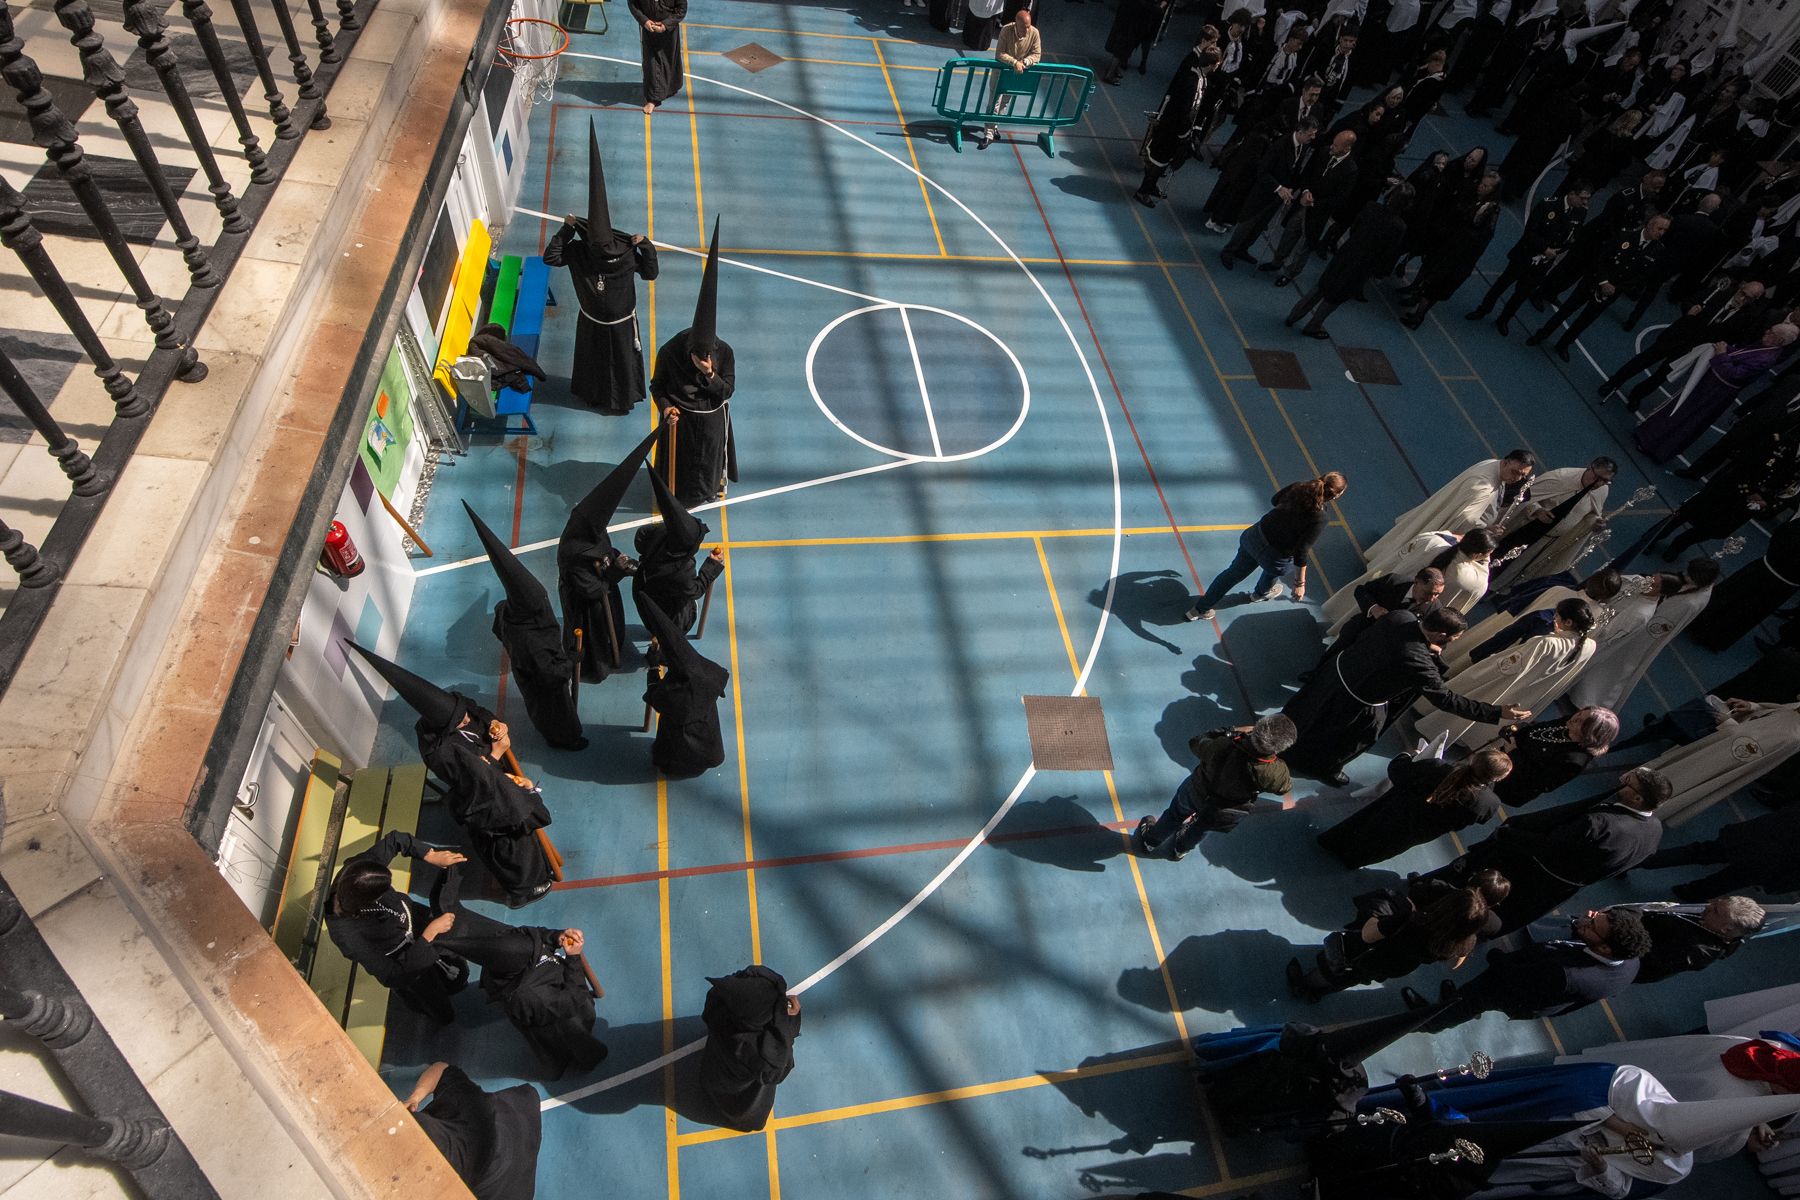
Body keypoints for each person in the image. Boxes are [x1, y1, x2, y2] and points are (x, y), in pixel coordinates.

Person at [346, 644, 555, 908]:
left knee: (522, 822)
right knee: (510, 842)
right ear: (444, 728)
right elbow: (473, 780)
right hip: (479, 799)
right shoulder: (441, 752)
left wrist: (494, 724)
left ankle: (537, 865)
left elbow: (475, 711)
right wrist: (496, 754)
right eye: (461, 721)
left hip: (496, 780)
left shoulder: (453, 708)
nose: (467, 719)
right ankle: (523, 886)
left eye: (463, 715)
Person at [1282, 607, 1528, 787]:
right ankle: (1326, 767)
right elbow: (1445, 699)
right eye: (1453, 637)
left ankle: (1281, 737)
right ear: (1440, 634)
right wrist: (1496, 712)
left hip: (1336, 673)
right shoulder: (1419, 661)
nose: (1453, 641)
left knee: (1307, 710)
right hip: (1360, 698)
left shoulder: (1400, 617)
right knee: (1361, 737)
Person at [1422, 769, 1670, 935]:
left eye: (1629, 784)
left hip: (1529, 868)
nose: (1622, 782)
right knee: (1507, 913)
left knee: (1478, 887)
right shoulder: (1654, 831)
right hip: (1560, 887)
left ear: (1637, 799)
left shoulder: (1599, 824)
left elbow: (1546, 845)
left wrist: (1508, 833)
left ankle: (1431, 901)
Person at [431, 866, 609, 1079]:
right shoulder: (530, 996)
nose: (537, 944)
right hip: (564, 1013)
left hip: (551, 993)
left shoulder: (517, 952)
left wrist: (556, 936)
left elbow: (533, 935)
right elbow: (574, 1000)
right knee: (570, 1038)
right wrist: (572, 958)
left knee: (499, 937)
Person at [542, 124, 659, 415]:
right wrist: (646, 245)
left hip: (594, 323)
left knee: (592, 363)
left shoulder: (580, 253)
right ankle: (622, 400)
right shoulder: (627, 256)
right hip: (618, 324)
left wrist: (567, 230)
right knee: (622, 365)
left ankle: (591, 395)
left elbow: (551, 257)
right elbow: (651, 273)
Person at [465, 503, 585, 752]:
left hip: (531, 671)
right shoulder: (531, 641)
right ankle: (564, 739)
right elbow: (551, 676)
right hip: (544, 686)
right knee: (556, 714)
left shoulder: (508, 612)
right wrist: (571, 659)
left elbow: (498, 628)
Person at [1410, 906, 1653, 1027]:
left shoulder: (1567, 975)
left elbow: (1512, 977)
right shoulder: (1630, 961)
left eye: (1592, 926)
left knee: (1472, 999)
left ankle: (1430, 1021)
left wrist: (1495, 955)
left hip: (1512, 989)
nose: (1584, 920)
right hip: (1538, 986)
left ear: (1605, 949)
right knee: (1471, 1001)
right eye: (1594, 916)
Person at [1287, 871, 1509, 1001]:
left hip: (1372, 950)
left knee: (1337, 966)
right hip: (1399, 965)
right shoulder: (1463, 940)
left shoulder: (1412, 921)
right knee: (1357, 976)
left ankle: (1306, 985)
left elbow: (1368, 934)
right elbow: (1455, 962)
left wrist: (1380, 914)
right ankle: (1321, 992)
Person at [325, 831, 472, 1024]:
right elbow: (392, 975)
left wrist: (430, 854)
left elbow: (396, 840)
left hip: (409, 918)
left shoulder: (356, 870)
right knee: (433, 998)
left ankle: (451, 977)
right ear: (368, 900)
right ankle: (440, 1014)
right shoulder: (347, 935)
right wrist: (428, 935)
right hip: (401, 958)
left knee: (451, 957)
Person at [1413, 598, 1598, 748]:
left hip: (1505, 681)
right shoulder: (1589, 646)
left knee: (1478, 697)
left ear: (1568, 622)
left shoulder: (1546, 643)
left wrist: (1483, 667)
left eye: (1557, 616)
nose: (1554, 619)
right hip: (1529, 692)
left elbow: (1508, 665)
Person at [558, 428, 660, 683]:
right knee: (596, 636)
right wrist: (615, 572)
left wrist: (617, 559)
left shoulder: (593, 531)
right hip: (587, 606)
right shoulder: (574, 552)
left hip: (605, 588)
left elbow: (605, 548)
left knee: (612, 622)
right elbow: (590, 589)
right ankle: (598, 665)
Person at [652, 222, 737, 507]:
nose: (705, 357)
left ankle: (707, 491)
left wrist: (709, 374)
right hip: (682, 420)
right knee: (681, 465)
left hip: (711, 421)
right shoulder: (670, 350)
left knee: (708, 462)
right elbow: (658, 385)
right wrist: (666, 407)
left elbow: (726, 392)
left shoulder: (724, 352)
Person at [1131, 716, 1295, 860]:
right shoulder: (1274, 772)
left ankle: (1150, 842)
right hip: (1224, 809)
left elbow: (1197, 742)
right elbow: (1284, 787)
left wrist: (1231, 730)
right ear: (1279, 748)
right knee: (1201, 828)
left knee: (1174, 815)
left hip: (1196, 790)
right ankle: (1180, 849)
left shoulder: (1224, 745)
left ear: (1257, 728)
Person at [1184, 473, 1344, 620]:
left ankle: (1199, 609)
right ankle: (1260, 593)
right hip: (1276, 556)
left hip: (1255, 537)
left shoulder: (1298, 486)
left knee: (1232, 574)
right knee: (1273, 571)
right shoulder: (1320, 517)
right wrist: (1299, 584)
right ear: (1336, 495)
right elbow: (1301, 550)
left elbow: (1275, 501)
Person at [1316, 748, 1512, 868]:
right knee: (1388, 845)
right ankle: (1353, 860)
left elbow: (1398, 772)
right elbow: (1476, 818)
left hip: (1396, 807)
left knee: (1364, 824)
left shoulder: (1438, 768)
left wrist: (1407, 755)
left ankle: (1332, 843)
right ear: (1496, 778)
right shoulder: (1489, 803)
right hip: (1421, 830)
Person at [1633, 324, 1800, 464]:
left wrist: (1721, 353)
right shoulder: (1765, 348)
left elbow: (1734, 373)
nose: (1767, 332)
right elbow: (1739, 353)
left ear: (1780, 340)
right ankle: (1648, 437)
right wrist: (1726, 348)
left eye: (1772, 333)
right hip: (1713, 385)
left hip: (1716, 391)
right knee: (1682, 409)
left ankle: (1653, 445)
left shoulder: (1766, 358)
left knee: (1686, 417)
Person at [1568, 565, 1719, 714]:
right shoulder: (1659, 587)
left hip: (1641, 636)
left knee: (1613, 663)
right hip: (1631, 620)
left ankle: (1587, 697)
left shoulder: (1687, 603)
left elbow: (1659, 624)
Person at [1601, 279, 1767, 412]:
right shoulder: (1719, 292)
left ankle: (1637, 395)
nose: (1742, 298)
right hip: (1677, 335)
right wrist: (1689, 310)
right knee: (1643, 360)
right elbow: (1689, 301)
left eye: (1749, 298)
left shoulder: (1749, 316)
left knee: (1662, 375)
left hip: (1693, 350)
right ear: (1741, 287)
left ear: (1754, 301)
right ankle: (1614, 382)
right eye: (1742, 293)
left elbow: (1739, 339)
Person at [1524, 214, 1670, 362]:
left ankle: (1563, 344)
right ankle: (1542, 334)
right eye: (1660, 228)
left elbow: (1641, 277)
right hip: (1593, 281)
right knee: (1566, 310)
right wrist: (1604, 282)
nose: (1662, 233)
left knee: (1585, 320)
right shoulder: (1624, 235)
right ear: (1649, 224)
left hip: (1612, 291)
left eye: (1665, 230)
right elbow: (1600, 258)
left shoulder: (1657, 250)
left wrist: (1616, 288)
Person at [1637, 697, 1800, 827]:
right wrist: (1752, 707)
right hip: (1715, 748)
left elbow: (1745, 751)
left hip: (1716, 761)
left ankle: (1641, 803)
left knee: (1682, 777)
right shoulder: (1797, 710)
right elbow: (1778, 712)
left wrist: (1728, 724)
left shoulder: (1792, 735)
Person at [1359, 450, 1535, 569]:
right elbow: (1466, 519)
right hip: (1448, 525)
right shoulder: (1484, 484)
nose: (1517, 478)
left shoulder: (1492, 466)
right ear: (1505, 462)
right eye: (1515, 472)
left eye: (1522, 476)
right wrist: (1486, 531)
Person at [1284, 184, 1412, 338]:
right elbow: (1387, 253)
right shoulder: (1399, 226)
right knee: (1336, 296)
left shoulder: (1371, 207)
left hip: (1347, 252)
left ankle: (1294, 315)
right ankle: (1314, 325)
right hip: (1363, 265)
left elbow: (1354, 228)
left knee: (1322, 285)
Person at [404, 1062, 542, 1200]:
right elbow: (441, 1069)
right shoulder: (465, 1107)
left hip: (508, 1181)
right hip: (517, 1113)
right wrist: (414, 1098)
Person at [1323, 527, 1497, 634]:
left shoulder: (1432, 541)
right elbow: (1478, 587)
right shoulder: (1469, 579)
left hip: (1386, 593)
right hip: (1407, 617)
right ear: (1477, 555)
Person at [1467, 185, 1590, 336]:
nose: (1585, 202)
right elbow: (1530, 231)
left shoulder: (1580, 213)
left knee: (1522, 293)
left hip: (1545, 261)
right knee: (1503, 283)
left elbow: (1573, 237)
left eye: (1587, 199)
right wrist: (1544, 248)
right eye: (1582, 198)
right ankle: (1483, 309)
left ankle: (1504, 319)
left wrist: (1556, 252)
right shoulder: (1548, 205)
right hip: (1526, 254)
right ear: (1572, 193)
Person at [1648, 442, 1800, 563]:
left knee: (1715, 529)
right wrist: (1749, 492)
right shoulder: (1782, 441)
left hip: (1751, 504)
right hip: (1731, 487)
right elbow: (1745, 462)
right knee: (1688, 512)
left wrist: (1767, 503)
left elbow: (1791, 490)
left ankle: (1679, 545)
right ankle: (1654, 537)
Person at [634, 585, 728, 775]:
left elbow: (654, 694)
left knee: (669, 749)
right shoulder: (710, 672)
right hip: (709, 748)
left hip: (682, 751)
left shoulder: (675, 695)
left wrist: (653, 666)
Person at [699, 965, 801, 1131]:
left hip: (714, 1070)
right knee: (743, 1109)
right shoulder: (760, 1051)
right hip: (739, 1094)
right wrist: (789, 1020)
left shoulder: (720, 1003)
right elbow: (779, 1070)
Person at [1485, 458, 1616, 586]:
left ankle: (1498, 588)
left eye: (1605, 481)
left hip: (1550, 540)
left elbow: (1592, 513)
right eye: (1596, 477)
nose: (1598, 483)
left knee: (1520, 566)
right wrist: (1537, 510)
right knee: (1501, 555)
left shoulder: (1602, 490)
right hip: (1526, 529)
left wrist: (1596, 523)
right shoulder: (1560, 478)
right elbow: (1524, 495)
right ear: (1589, 467)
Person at [1400, 168, 1501, 328]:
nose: (1482, 187)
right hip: (1447, 247)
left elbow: (1480, 236)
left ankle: (1418, 316)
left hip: (1457, 257)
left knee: (1435, 288)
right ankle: (1416, 304)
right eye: (1482, 183)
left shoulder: (1490, 210)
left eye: (1487, 186)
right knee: (1429, 279)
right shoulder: (1472, 197)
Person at [1638, 806, 1800, 900]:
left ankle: (1638, 862)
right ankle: (1687, 893)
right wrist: (1776, 886)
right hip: (1772, 865)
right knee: (1725, 882)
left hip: (1757, 836)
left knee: (1698, 852)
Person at [1219, 117, 1320, 268]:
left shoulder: (1302, 146)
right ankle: (1229, 250)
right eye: (1310, 134)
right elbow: (1263, 172)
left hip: (1278, 197)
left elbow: (1294, 170)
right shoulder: (1279, 146)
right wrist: (1279, 188)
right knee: (1247, 223)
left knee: (1260, 225)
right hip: (1263, 193)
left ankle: (1243, 249)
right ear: (1300, 131)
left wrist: (1291, 187)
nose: (1313, 138)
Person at [1688, 518, 1800, 650]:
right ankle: (1715, 638)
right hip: (1784, 585)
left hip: (1764, 570)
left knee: (1729, 596)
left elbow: (1780, 535)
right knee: (1748, 612)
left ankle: (1697, 622)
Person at [636, 464, 724, 632]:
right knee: (681, 619)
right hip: (666, 611)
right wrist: (712, 565)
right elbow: (695, 590)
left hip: (645, 592)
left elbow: (640, 537)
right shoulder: (681, 571)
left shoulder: (662, 532)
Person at [1266, 128, 1359, 287]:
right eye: (1333, 143)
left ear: (1347, 148)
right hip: (1302, 204)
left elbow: (1340, 198)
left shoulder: (1351, 170)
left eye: (1336, 146)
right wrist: (1306, 191)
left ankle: (1290, 273)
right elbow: (1307, 174)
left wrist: (1314, 202)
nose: (1332, 147)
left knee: (1304, 245)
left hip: (1318, 213)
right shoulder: (1323, 152)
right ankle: (1277, 261)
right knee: (1289, 233)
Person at [1134, 48, 1224, 207]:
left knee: (1164, 161)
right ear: (1211, 64)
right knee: (1158, 161)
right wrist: (1184, 134)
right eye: (1217, 63)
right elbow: (1183, 111)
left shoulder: (1201, 78)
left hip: (1178, 129)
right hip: (1172, 129)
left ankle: (1151, 185)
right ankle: (1143, 192)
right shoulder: (1191, 81)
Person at [1614, 897, 1768, 986]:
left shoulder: (1696, 950)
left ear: (1726, 930)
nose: (1710, 905)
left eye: (1716, 911)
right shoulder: (1707, 921)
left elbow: (1643, 956)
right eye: (1717, 902)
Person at [1315, 566, 1444, 669]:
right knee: (1338, 650)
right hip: (1364, 627)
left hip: (1385, 647)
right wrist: (1374, 608)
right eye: (1428, 593)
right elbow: (1361, 591)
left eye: (1437, 594)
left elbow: (1436, 639)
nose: (1431, 599)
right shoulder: (1394, 581)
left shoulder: (1434, 609)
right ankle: (1317, 672)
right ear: (1416, 581)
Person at [1491, 707, 1619, 808]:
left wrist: (1513, 753)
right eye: (1579, 714)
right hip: (1503, 758)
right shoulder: (1569, 723)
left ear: (1589, 734)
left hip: (1509, 783)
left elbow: (1538, 782)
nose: (1575, 718)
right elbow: (1539, 728)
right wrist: (1518, 728)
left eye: (1581, 722)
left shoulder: (1574, 761)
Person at [979, 6, 1040, 147]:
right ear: (1015, 24)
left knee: (1004, 103)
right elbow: (999, 53)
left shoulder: (1034, 33)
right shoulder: (1006, 30)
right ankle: (988, 133)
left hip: (1014, 76)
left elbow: (1036, 55)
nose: (1027, 30)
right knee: (994, 102)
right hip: (1000, 74)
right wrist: (1014, 62)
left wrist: (1025, 62)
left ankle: (994, 127)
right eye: (1024, 27)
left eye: (1028, 26)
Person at [628, 0, 685, 115]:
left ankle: (672, 86)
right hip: (649, 29)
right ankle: (653, 98)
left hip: (669, 29)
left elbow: (681, 9)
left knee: (670, 59)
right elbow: (633, 4)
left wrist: (665, 25)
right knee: (652, 62)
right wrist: (644, 21)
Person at [1099, 0, 1166, 84]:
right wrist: (1160, 7)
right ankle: (1109, 75)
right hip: (1132, 23)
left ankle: (1114, 70)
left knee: (1121, 47)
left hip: (1126, 18)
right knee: (1122, 50)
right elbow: (1147, 7)